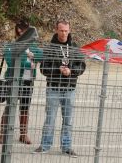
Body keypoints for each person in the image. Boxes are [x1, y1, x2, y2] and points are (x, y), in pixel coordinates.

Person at [33, 19, 86, 158]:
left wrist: (71, 71)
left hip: (70, 89)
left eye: (66, 31)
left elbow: (82, 66)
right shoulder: (50, 48)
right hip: (54, 88)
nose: (63, 33)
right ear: (56, 30)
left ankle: (67, 147)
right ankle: (45, 145)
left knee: (68, 120)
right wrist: (58, 69)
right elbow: (43, 68)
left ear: (69, 31)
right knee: (50, 119)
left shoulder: (74, 47)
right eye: (61, 30)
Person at [0, 20, 42, 144]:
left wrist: (30, 56)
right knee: (9, 107)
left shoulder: (33, 45)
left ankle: (23, 134)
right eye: (21, 30)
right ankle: (3, 133)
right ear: (18, 31)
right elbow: (10, 61)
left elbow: (41, 55)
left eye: (26, 30)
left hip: (28, 81)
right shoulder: (11, 45)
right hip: (13, 80)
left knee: (25, 108)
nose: (23, 32)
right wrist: (29, 59)